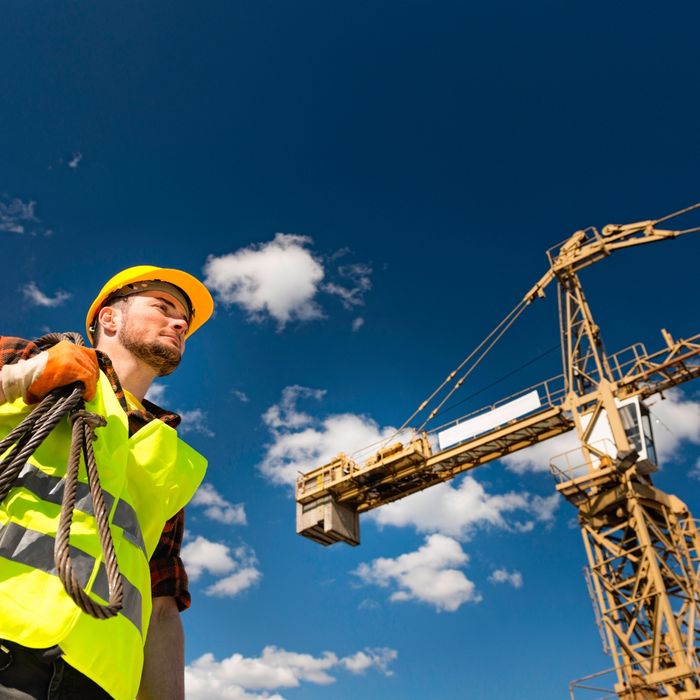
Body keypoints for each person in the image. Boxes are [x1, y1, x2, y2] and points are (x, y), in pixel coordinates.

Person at [0, 265, 214, 699]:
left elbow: (161, 603)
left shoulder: (167, 455)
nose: (179, 324)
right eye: (162, 306)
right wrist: (24, 378)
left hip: (98, 682)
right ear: (109, 319)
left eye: (185, 322)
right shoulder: (33, 361)